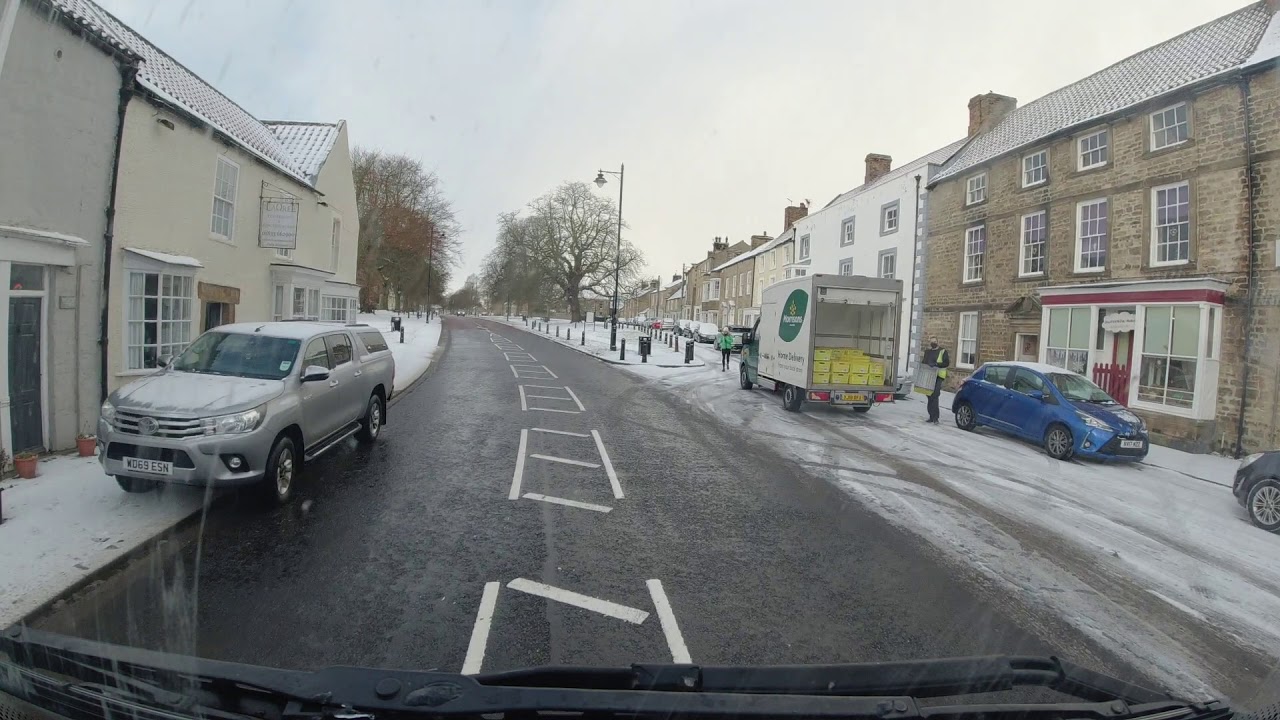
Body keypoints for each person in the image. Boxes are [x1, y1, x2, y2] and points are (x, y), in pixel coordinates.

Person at [921, 336, 949, 424]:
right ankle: (931, 416)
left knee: (935, 395)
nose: (933, 343)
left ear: (937, 342)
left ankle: (936, 417)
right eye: (931, 341)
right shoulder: (928, 352)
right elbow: (924, 362)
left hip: (938, 376)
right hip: (929, 375)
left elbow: (946, 363)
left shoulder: (943, 351)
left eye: (934, 341)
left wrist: (937, 364)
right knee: (929, 395)